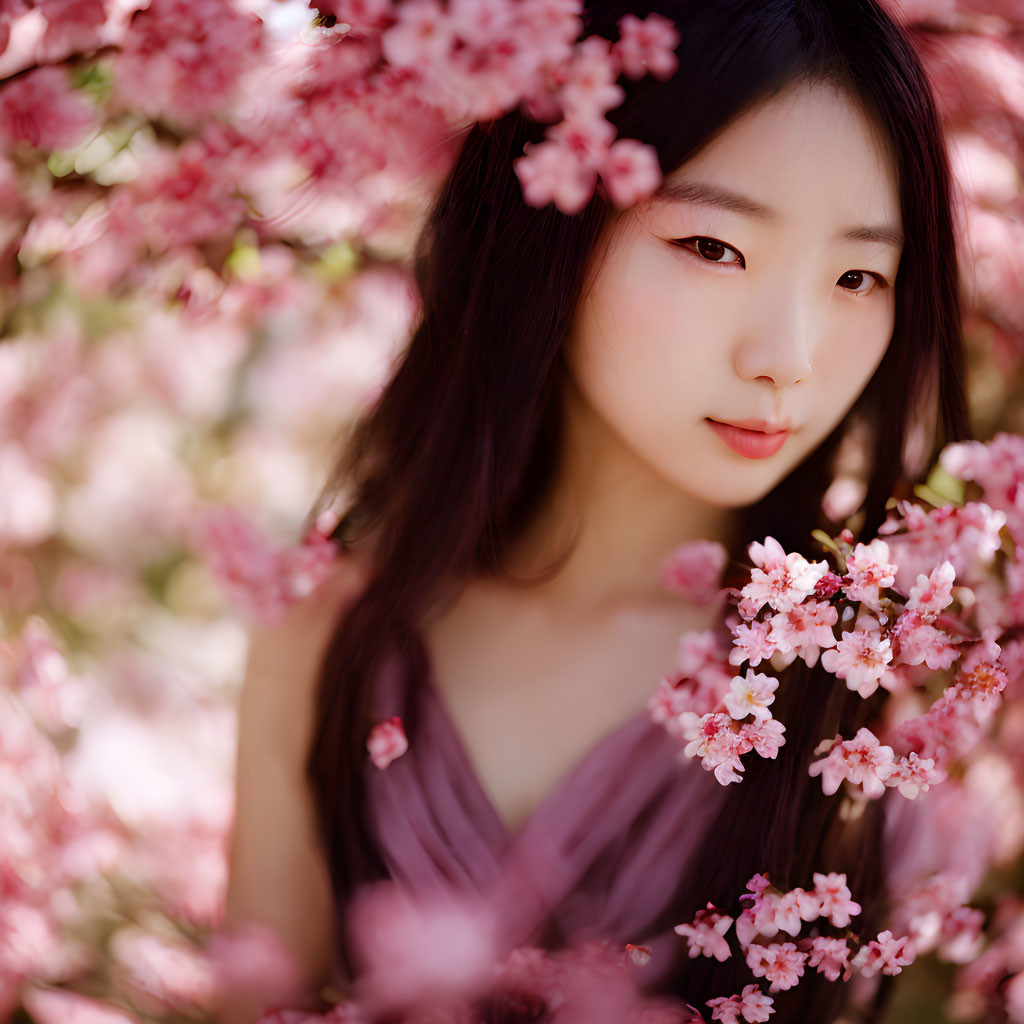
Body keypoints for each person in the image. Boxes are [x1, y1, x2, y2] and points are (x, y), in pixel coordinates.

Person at [223, 0, 969, 1020]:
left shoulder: (890, 684)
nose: (786, 358)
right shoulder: (327, 632)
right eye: (713, 246)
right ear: (558, 219)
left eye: (856, 275)